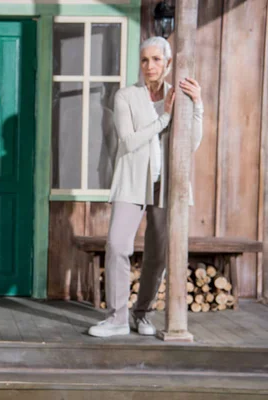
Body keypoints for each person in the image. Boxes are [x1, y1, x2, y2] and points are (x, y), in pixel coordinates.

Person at [88, 36, 203, 338]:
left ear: (167, 64)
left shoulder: (178, 95)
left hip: (167, 184)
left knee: (158, 253)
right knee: (117, 245)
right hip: (131, 181)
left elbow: (191, 143)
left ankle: (142, 314)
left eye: (156, 60)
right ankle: (116, 318)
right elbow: (128, 140)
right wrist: (164, 118)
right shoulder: (126, 96)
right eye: (144, 60)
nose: (149, 66)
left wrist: (197, 105)